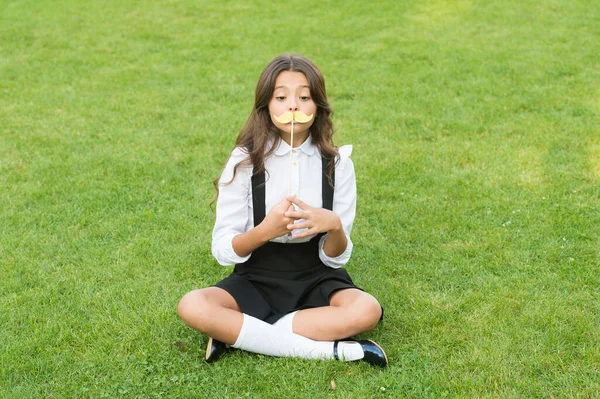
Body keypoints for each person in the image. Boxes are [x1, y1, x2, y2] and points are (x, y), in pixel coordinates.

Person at [178, 54, 387, 367]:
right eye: (281, 97)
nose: (293, 106)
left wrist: (333, 226)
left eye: (304, 97)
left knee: (367, 310)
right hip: (256, 277)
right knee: (193, 305)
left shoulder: (338, 165)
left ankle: (243, 334)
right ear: (266, 106)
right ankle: (336, 350)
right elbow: (223, 248)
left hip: (315, 274)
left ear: (317, 106)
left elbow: (336, 257)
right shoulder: (245, 161)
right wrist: (266, 230)